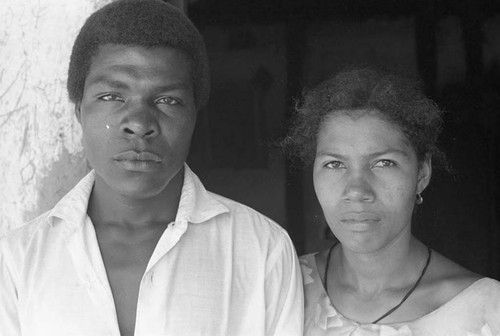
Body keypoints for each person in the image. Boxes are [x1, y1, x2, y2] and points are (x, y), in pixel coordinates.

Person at [0, 1, 303, 335]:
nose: (139, 124)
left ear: (194, 118)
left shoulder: (261, 250)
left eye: (167, 100)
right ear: (79, 113)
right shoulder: (18, 260)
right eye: (112, 96)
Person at [282, 68, 500, 335]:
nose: (357, 189)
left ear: (422, 174)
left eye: (383, 163)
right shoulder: (283, 287)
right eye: (334, 164)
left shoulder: (486, 309)